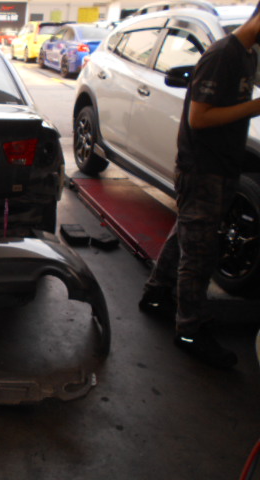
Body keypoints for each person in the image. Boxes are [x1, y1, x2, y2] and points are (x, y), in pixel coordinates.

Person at [139, 3, 260, 368]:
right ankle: (190, 329)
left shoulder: (248, 55)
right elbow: (200, 117)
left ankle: (156, 294)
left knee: (189, 233)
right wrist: (256, 106)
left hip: (221, 164)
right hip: (202, 166)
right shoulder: (223, 54)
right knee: (200, 252)